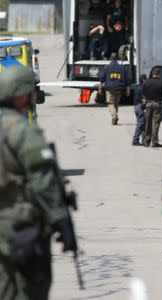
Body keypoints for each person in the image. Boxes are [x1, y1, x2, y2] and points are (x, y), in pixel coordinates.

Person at [0, 66, 77, 299]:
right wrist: (61, 221)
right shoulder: (23, 132)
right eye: (32, 92)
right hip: (21, 229)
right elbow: (44, 182)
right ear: (21, 95)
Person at [99, 52, 130, 125]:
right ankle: (115, 116)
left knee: (110, 103)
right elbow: (127, 80)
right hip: (120, 88)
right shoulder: (122, 68)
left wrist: (100, 88)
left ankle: (114, 116)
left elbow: (101, 79)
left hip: (110, 88)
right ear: (117, 59)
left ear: (110, 59)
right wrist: (128, 90)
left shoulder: (107, 67)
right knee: (116, 103)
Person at [142, 67, 162, 147]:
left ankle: (146, 141)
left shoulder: (147, 82)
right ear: (159, 74)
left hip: (149, 104)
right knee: (155, 123)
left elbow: (144, 95)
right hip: (157, 104)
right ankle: (154, 142)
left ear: (152, 74)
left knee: (148, 123)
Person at [132, 74, 147, 146]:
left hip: (136, 107)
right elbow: (144, 99)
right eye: (146, 79)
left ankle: (144, 140)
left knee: (143, 123)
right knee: (140, 124)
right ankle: (135, 140)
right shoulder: (143, 88)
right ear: (144, 80)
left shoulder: (137, 87)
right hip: (140, 107)